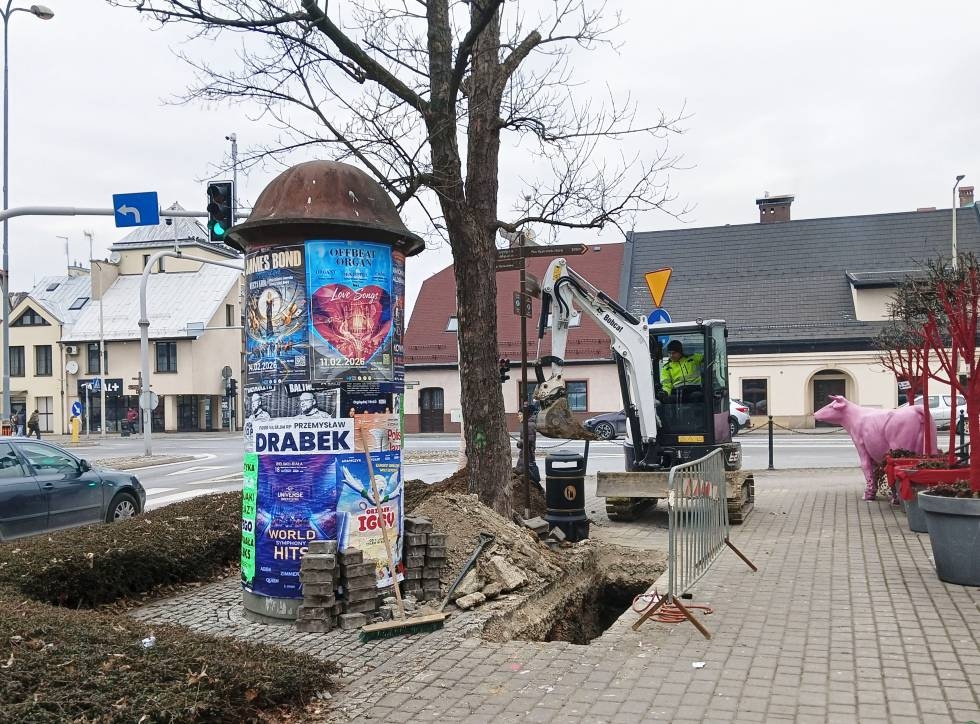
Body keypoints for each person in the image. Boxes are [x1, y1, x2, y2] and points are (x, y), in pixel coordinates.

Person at [514, 403, 541, 487]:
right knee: (524, 476)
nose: (518, 416)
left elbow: (528, 440)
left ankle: (537, 492)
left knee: (527, 477)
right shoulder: (528, 424)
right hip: (526, 454)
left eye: (520, 414)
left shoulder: (528, 425)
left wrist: (519, 443)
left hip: (527, 454)